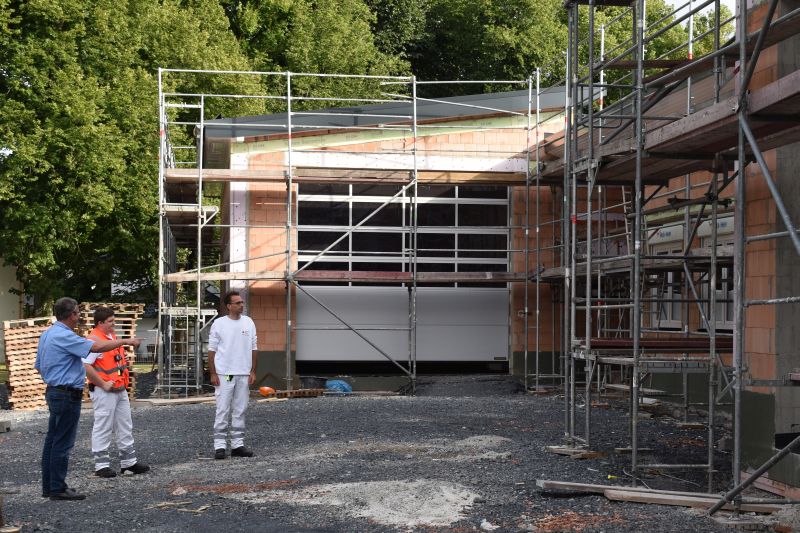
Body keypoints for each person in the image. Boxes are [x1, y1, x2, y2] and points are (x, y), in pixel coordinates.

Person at [35, 297, 141, 501]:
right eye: (77, 313)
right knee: (62, 443)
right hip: (67, 393)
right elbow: (94, 349)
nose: (79, 316)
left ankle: (50, 486)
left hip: (56, 390)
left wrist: (55, 379)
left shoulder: (47, 334)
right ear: (71, 315)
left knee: (52, 440)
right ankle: (57, 487)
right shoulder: (66, 336)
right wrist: (127, 341)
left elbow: (39, 365)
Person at [84, 306, 150, 478]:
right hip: (104, 390)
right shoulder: (94, 339)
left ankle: (128, 463)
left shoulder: (111, 337)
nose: (114, 324)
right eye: (110, 321)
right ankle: (101, 465)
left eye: (114, 320)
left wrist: (123, 360)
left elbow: (112, 361)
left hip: (119, 388)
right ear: (100, 323)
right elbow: (85, 365)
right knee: (103, 426)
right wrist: (103, 384)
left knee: (125, 424)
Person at [208, 290, 257, 459]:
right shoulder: (219, 324)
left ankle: (238, 445)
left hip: (243, 373)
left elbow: (254, 347)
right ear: (229, 306)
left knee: (240, 409)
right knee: (222, 409)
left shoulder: (248, 322)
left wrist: (253, 371)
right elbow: (212, 350)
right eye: (238, 303)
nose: (241, 305)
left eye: (242, 302)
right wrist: (213, 373)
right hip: (226, 374)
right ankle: (219, 447)